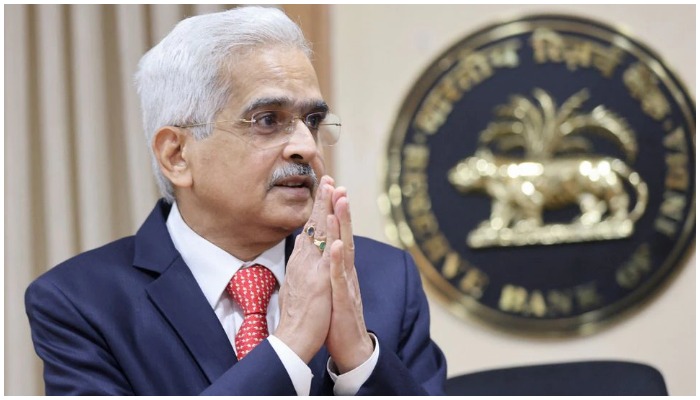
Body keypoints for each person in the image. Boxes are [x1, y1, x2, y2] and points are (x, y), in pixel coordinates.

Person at [25, 6, 447, 396]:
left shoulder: (386, 280)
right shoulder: (81, 302)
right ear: (176, 154)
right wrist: (291, 343)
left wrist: (358, 360)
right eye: (268, 120)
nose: (306, 146)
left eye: (313, 121)